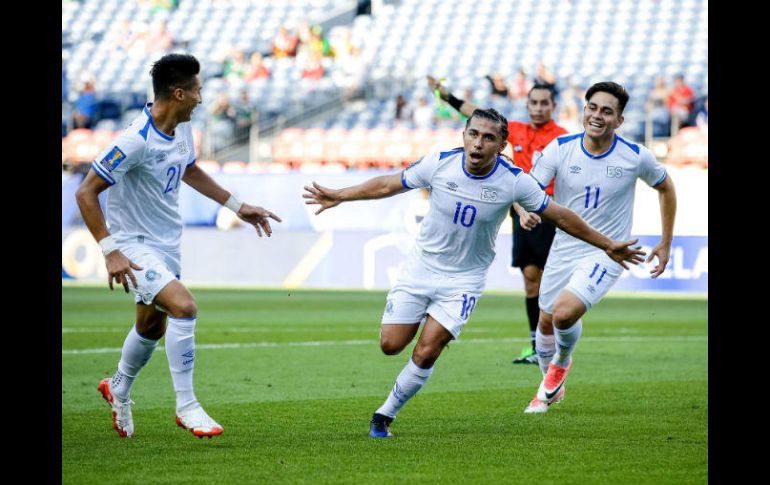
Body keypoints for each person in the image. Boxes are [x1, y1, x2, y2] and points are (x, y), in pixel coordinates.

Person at [302, 108, 645, 438]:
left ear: (502, 145)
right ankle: (414, 346)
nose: (478, 144)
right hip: (420, 268)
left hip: (463, 281)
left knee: (426, 351)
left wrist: (607, 244)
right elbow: (386, 185)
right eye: (473, 134)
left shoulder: (514, 182)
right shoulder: (439, 163)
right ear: (464, 135)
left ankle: (384, 415)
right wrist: (340, 196)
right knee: (391, 345)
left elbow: (561, 215)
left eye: (488, 138)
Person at [75, 53, 282, 438]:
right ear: (179, 93)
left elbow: (188, 169)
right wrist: (110, 249)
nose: (202, 98)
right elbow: (86, 192)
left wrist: (238, 206)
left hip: (167, 243)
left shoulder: (182, 129)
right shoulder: (134, 140)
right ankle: (187, 406)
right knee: (184, 307)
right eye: (198, 91)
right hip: (133, 245)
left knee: (151, 327)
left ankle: (118, 386)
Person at [520, 82, 676, 413]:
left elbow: (666, 187)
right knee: (544, 323)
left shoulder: (635, 156)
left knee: (563, 313)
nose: (597, 115)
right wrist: (523, 212)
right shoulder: (560, 148)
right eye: (592, 107)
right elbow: (530, 190)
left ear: (619, 120)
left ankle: (559, 369)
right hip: (563, 250)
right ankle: (551, 383)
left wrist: (665, 241)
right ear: (584, 110)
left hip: (609, 252)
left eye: (607, 111)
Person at [427, 76, 568, 365]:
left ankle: (554, 343)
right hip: (522, 212)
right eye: (533, 103)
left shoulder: (562, 137)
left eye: (544, 103)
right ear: (527, 105)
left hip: (549, 211)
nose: (538, 108)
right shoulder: (515, 130)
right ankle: (536, 344)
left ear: (553, 106)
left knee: (550, 281)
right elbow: (475, 114)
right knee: (530, 280)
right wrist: (447, 96)